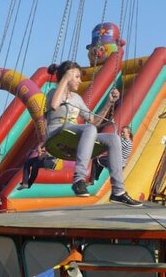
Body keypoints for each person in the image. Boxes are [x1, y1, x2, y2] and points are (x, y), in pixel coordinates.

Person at [45, 61, 142, 207]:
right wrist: (64, 79)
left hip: (73, 133)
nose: (80, 81)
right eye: (77, 77)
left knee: (113, 138)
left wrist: (109, 103)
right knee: (89, 129)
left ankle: (118, 191)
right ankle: (79, 179)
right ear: (67, 76)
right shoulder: (54, 92)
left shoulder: (77, 98)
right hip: (58, 132)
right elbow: (54, 105)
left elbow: (93, 121)